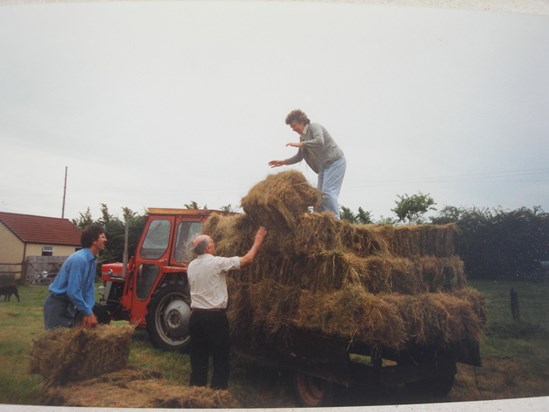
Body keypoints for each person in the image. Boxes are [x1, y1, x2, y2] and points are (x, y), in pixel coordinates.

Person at [187, 226, 267, 389]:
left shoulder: (191, 266)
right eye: (213, 243)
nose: (215, 246)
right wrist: (258, 241)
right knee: (220, 357)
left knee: (198, 358)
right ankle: (218, 394)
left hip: (195, 318)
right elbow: (247, 260)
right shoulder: (217, 263)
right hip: (214, 319)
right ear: (208, 247)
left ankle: (196, 393)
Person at [269, 109, 346, 219]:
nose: (293, 129)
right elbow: (299, 156)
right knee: (318, 196)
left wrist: (301, 144)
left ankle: (336, 221)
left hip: (336, 162)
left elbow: (320, 141)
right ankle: (320, 220)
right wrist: (283, 162)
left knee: (328, 193)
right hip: (324, 167)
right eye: (291, 127)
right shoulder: (302, 137)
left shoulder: (314, 127)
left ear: (301, 122)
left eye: (294, 125)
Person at [43, 225, 107, 329]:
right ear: (93, 240)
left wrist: (88, 311)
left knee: (69, 342)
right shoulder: (79, 259)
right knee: (56, 342)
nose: (105, 240)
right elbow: (73, 291)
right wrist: (88, 313)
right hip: (57, 305)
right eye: (103, 237)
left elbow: (89, 288)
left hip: (70, 305)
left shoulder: (92, 260)